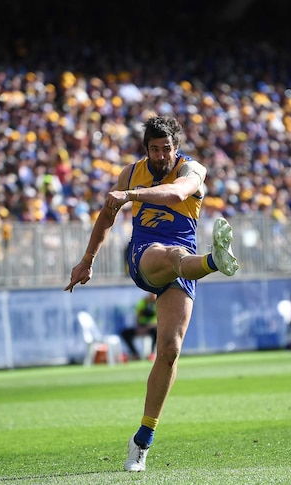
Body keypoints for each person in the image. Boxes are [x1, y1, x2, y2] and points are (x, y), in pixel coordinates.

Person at [64, 115, 239, 473]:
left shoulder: (193, 169)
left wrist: (130, 196)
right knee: (173, 257)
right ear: (146, 149)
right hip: (144, 253)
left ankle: (142, 439)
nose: (160, 155)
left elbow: (176, 193)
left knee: (171, 350)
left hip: (181, 261)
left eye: (166, 149)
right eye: (154, 149)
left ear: (177, 148)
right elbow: (106, 217)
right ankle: (214, 261)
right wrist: (87, 260)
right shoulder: (130, 172)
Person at [122, 292, 158, 361]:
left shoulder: (158, 303)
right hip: (142, 327)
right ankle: (135, 354)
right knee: (125, 333)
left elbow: (158, 321)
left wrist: (146, 328)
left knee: (156, 332)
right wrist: (138, 327)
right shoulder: (142, 303)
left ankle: (152, 353)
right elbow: (138, 317)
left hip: (151, 327)